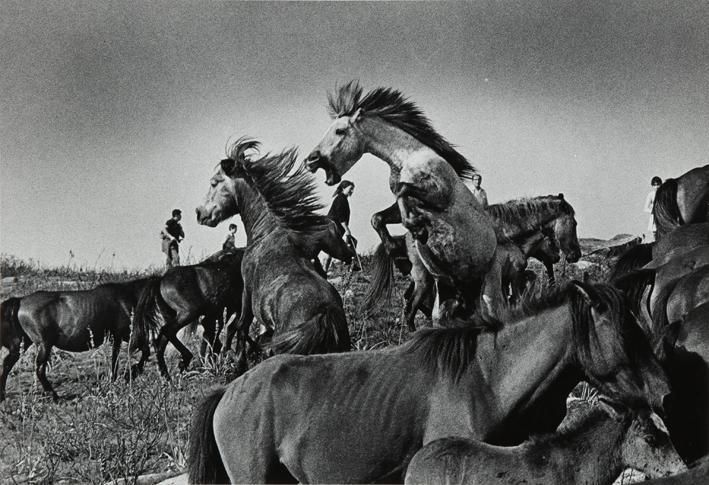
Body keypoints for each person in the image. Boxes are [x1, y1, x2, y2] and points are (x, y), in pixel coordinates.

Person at [324, 180, 359, 272]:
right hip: (334, 227)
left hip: (333, 227)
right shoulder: (341, 199)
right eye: (350, 189)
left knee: (330, 251)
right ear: (343, 188)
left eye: (353, 189)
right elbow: (341, 217)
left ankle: (325, 271)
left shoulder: (342, 198)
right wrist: (347, 230)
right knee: (351, 242)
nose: (352, 191)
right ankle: (349, 264)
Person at [644, 176, 662, 241]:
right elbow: (645, 208)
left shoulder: (663, 194)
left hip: (663, 217)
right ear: (652, 186)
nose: (656, 187)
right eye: (655, 185)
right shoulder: (651, 194)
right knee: (654, 235)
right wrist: (654, 211)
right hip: (654, 217)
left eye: (658, 184)